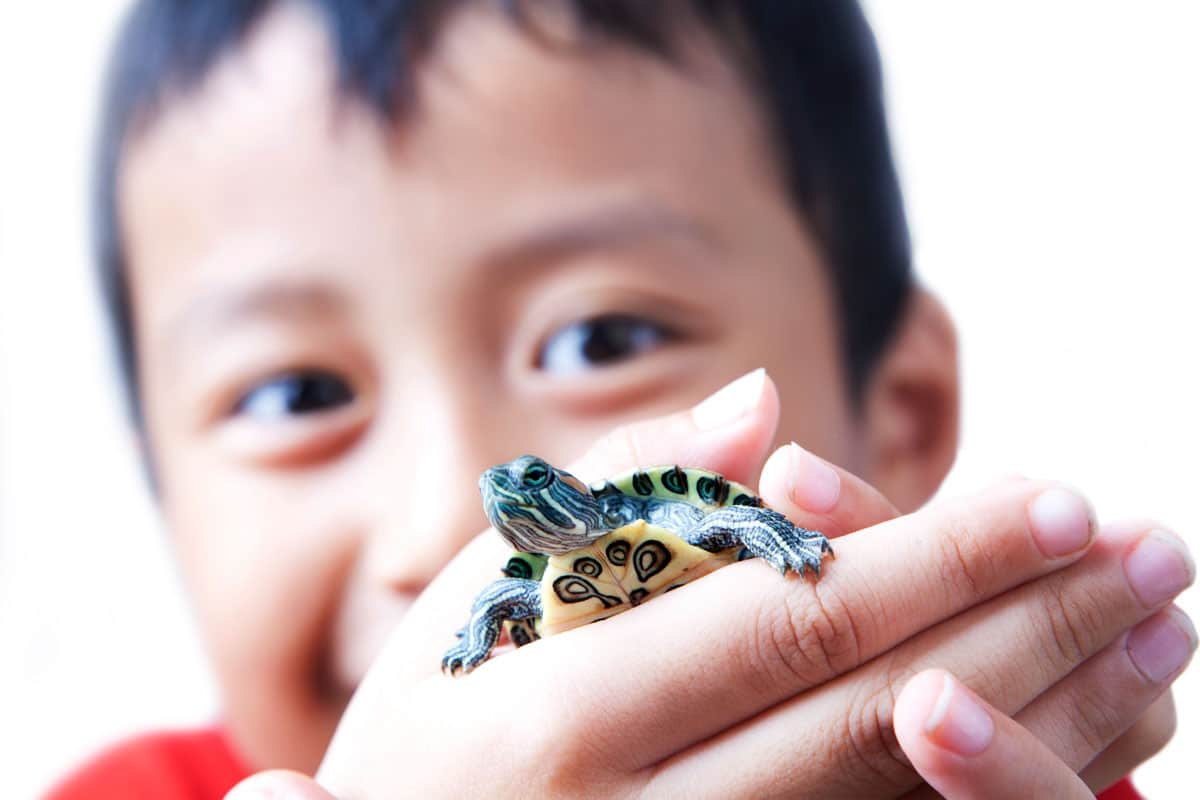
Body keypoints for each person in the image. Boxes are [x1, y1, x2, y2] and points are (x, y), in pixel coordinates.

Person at [50, 1, 1194, 798]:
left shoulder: (977, 756)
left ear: (903, 406)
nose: (440, 513)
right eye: (297, 392)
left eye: (602, 337)